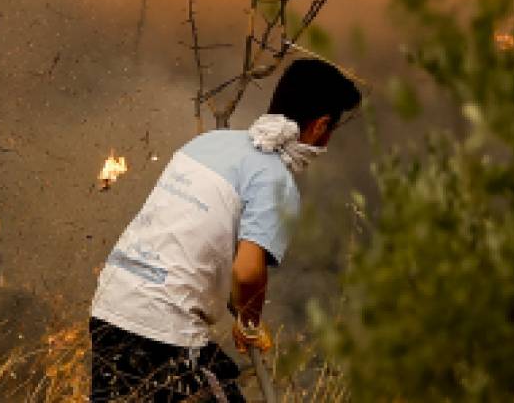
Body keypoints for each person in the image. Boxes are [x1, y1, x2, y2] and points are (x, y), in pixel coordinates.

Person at [87, 58, 362, 402]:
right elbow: (247, 272)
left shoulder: (210, 143)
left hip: (110, 310)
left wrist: (238, 306)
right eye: (332, 131)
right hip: (161, 331)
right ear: (320, 127)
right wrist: (249, 322)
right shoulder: (276, 181)